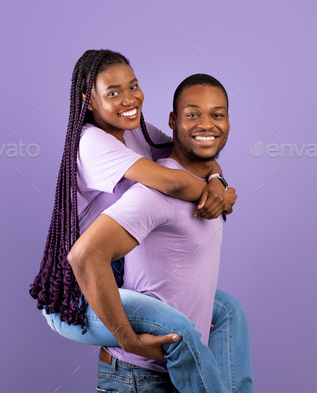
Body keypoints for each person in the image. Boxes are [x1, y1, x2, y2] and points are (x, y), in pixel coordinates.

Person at [29, 50, 252, 392]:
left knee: (226, 310)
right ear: (89, 101)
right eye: (113, 93)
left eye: (132, 86)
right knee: (177, 327)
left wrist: (218, 181)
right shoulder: (92, 143)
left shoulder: (133, 129)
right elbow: (172, 181)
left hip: (117, 269)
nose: (129, 99)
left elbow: (193, 149)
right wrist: (128, 340)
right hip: (79, 286)